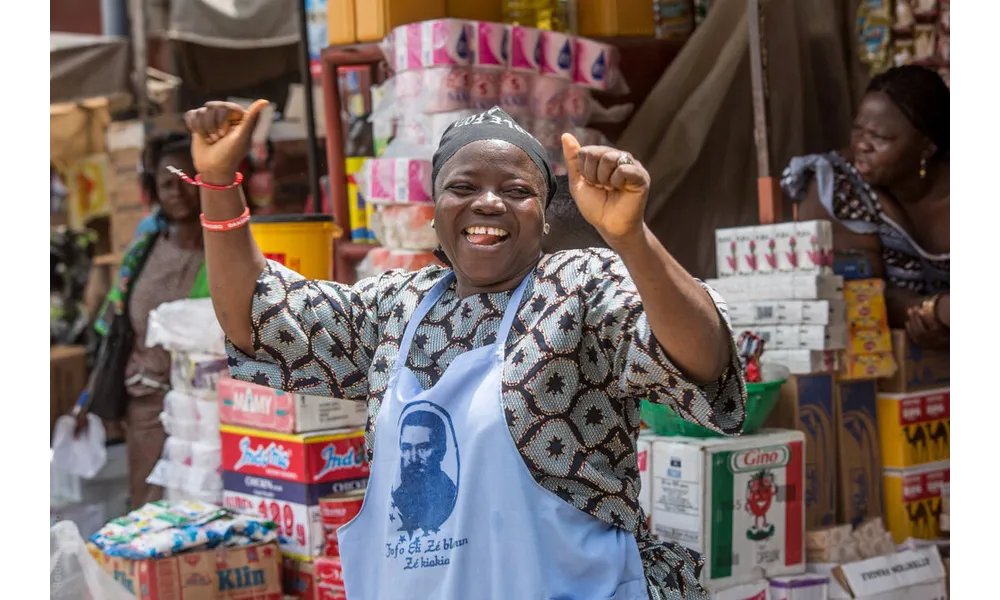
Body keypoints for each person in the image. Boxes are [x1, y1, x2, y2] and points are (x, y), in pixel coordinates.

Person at [186, 100, 747, 600]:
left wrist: (631, 238)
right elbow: (255, 317)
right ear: (434, 208)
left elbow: (703, 360)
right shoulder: (394, 308)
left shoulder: (579, 289)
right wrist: (216, 180)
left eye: (517, 191)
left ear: (546, 217)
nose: (488, 203)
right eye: (462, 187)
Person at [74, 132, 210, 507]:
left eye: (187, 181)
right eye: (167, 184)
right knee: (149, 507)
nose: (178, 192)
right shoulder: (144, 250)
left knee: (205, 505)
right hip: (147, 407)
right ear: (155, 190)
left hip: (207, 408)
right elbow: (113, 328)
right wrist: (90, 397)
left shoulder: (226, 251)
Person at [781, 65, 951, 350]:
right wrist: (936, 310)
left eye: (880, 138)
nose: (862, 145)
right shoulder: (840, 186)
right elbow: (858, 289)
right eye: (857, 130)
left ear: (927, 147)